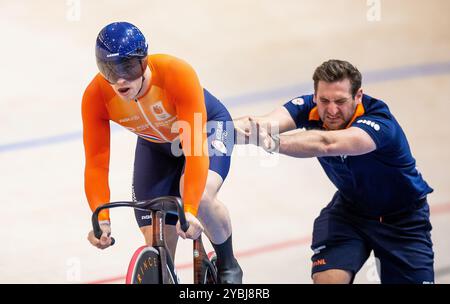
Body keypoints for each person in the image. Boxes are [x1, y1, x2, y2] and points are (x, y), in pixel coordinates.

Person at [234, 59, 434, 284]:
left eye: (340, 101)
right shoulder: (310, 106)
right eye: (324, 100)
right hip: (350, 212)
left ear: (358, 96)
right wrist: (213, 132)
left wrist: (271, 143)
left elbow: (326, 143)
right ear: (315, 96)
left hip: (403, 221)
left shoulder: (380, 123)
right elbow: (263, 123)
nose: (331, 110)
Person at [82, 21, 242, 283]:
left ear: (144, 61)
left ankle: (228, 265)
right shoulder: (95, 96)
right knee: (155, 233)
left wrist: (189, 208)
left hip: (206, 129)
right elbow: (96, 164)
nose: (120, 79)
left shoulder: (176, 72)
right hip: (155, 145)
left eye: (128, 67)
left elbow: (195, 150)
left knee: (200, 198)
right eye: (110, 70)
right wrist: (103, 218)